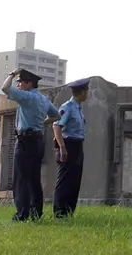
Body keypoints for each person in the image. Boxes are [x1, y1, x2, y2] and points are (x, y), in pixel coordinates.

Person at [1, 67, 60, 222]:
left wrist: (12, 73)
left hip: (25, 141)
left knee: (21, 178)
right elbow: (56, 115)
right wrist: (43, 123)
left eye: (20, 82)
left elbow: (5, 88)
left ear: (28, 84)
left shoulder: (26, 97)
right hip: (38, 140)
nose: (18, 85)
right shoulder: (43, 99)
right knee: (34, 178)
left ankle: (22, 214)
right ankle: (36, 212)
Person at [52, 78, 90, 218]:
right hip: (68, 145)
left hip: (78, 145)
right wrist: (62, 147)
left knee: (75, 180)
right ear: (82, 92)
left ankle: (68, 211)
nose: (88, 93)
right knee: (65, 180)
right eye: (87, 90)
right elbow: (56, 126)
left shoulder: (79, 108)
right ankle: (59, 212)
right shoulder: (67, 107)